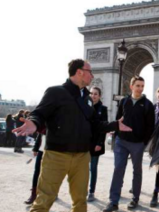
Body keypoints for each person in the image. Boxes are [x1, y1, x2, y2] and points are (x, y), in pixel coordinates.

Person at [13, 59, 132, 212]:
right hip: (56, 155)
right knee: (43, 201)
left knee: (80, 202)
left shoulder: (87, 99)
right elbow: (39, 113)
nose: (92, 76)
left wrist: (115, 125)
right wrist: (33, 123)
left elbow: (95, 124)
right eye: (90, 72)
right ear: (79, 72)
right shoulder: (55, 92)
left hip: (82, 156)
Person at [103, 76, 155, 212]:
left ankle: (135, 198)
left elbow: (150, 127)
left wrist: (143, 142)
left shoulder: (148, 105)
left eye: (142, 86)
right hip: (121, 141)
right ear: (131, 86)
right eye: (138, 85)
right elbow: (118, 119)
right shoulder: (124, 101)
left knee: (137, 171)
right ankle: (113, 201)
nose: (140, 88)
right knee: (118, 169)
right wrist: (117, 132)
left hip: (137, 143)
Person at [87, 86, 108, 202]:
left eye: (95, 94)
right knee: (83, 168)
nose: (93, 96)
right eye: (91, 93)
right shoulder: (85, 107)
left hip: (96, 143)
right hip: (84, 142)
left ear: (99, 96)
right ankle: (83, 189)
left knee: (93, 168)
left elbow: (104, 127)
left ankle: (91, 191)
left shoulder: (103, 109)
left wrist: (100, 142)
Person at [24, 131, 45, 205]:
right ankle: (33, 194)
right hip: (41, 150)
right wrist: (35, 149)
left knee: (50, 173)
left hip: (53, 152)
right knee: (37, 171)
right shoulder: (45, 122)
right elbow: (39, 135)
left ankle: (52, 192)